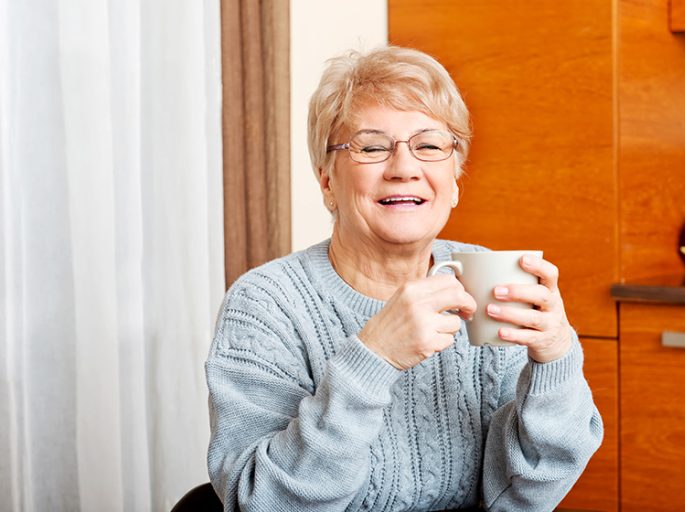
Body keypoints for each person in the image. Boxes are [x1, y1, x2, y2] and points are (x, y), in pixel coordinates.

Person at [206, 46, 603, 512]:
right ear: (327, 182)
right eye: (372, 146)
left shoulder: (488, 281)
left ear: (454, 180)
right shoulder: (266, 303)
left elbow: (527, 493)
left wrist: (554, 362)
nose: (404, 168)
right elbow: (262, 502)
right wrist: (372, 359)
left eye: (430, 146)